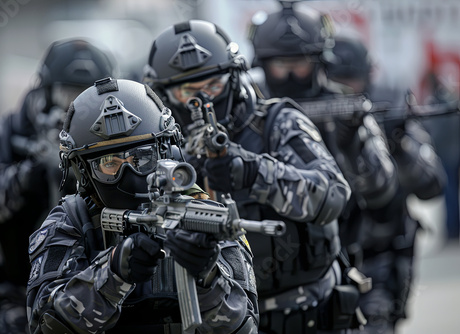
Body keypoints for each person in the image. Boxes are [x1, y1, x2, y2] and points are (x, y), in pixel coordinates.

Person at [143, 19, 357, 333]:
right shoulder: (162, 151)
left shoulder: (278, 123)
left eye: (213, 86)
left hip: (308, 314)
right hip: (225, 321)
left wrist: (253, 172)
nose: (204, 101)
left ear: (233, 77)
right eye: (188, 91)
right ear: (165, 96)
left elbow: (334, 195)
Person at [26, 78, 259, 334]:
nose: (128, 171)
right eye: (109, 162)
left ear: (165, 152)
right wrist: (112, 273)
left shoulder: (203, 216)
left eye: (142, 157)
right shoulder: (71, 220)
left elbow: (244, 327)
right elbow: (45, 327)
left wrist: (208, 276)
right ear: (83, 172)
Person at [248, 2, 406, 332]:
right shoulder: (248, 112)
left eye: (299, 64)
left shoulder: (346, 104)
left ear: (320, 59)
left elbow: (383, 196)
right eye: (280, 65)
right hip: (264, 276)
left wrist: (353, 146)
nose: (290, 75)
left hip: (338, 265)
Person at [0, 38, 116, 333]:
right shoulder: (9, 133)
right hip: (15, 291)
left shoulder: (118, 139)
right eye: (66, 94)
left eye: (86, 95)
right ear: (43, 90)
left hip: (96, 290)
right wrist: (24, 176)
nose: (74, 106)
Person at [322, 35, 447, 333]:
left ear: (368, 75)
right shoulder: (306, 119)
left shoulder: (386, 107)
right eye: (338, 82)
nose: (346, 91)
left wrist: (399, 145)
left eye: (352, 81)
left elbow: (431, 186)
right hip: (325, 262)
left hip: (380, 259)